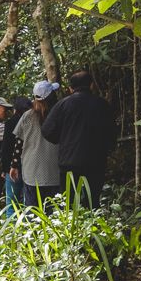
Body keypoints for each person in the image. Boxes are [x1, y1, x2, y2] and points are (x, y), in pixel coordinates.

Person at [42, 69, 115, 204]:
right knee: (92, 200)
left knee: (68, 201)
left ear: (70, 88)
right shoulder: (102, 105)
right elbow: (111, 133)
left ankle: (70, 224)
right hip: (96, 161)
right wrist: (106, 149)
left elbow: (47, 130)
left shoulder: (62, 105)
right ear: (91, 85)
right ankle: (92, 224)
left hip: (69, 161)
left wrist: (62, 140)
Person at [12, 79, 62, 207]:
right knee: (54, 211)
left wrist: (14, 165)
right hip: (54, 171)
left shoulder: (27, 116)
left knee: (33, 211)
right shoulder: (58, 115)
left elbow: (18, 143)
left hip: (31, 171)